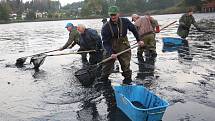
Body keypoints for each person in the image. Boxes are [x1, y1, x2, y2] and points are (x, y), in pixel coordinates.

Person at [99, 6, 144, 85]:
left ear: (118, 14)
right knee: (106, 66)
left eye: (114, 14)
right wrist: (111, 52)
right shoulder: (105, 27)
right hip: (110, 46)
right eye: (111, 15)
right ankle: (104, 80)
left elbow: (134, 29)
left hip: (123, 45)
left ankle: (128, 80)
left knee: (126, 65)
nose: (113, 16)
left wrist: (139, 40)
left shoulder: (125, 21)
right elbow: (105, 42)